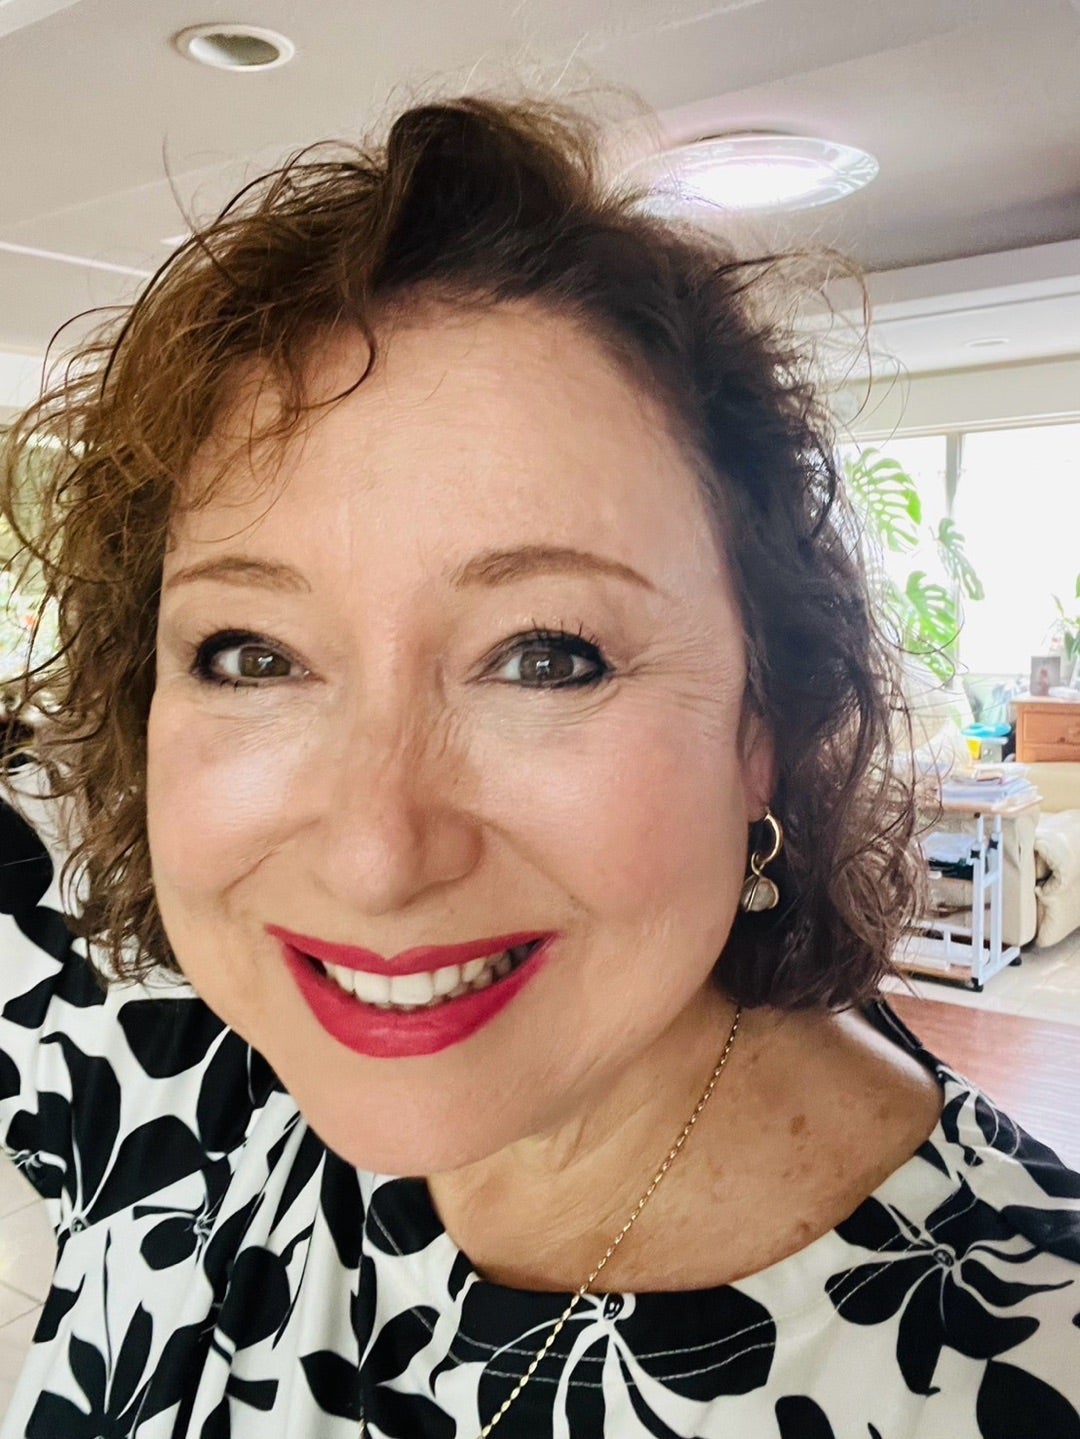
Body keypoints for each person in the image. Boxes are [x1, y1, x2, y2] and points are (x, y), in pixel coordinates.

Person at [0, 96, 1077, 1439]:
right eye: (253, 656)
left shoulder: (1024, 1366)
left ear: (766, 726)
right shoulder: (152, 1066)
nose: (375, 857)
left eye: (548, 658)